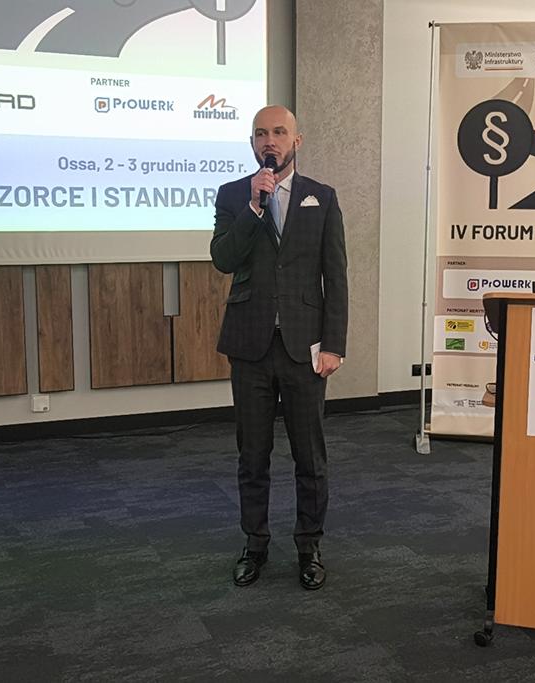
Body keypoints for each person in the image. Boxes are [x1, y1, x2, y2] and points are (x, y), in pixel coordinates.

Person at [210, 105, 348, 591]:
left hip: (304, 348)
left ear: (297, 140)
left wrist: (334, 345)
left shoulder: (322, 198)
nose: (270, 140)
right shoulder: (234, 195)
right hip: (249, 346)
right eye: (261, 133)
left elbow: (336, 276)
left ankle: (309, 546)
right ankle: (255, 544)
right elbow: (224, 258)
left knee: (310, 457)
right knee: (253, 456)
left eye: (279, 132)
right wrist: (253, 207)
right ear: (252, 143)